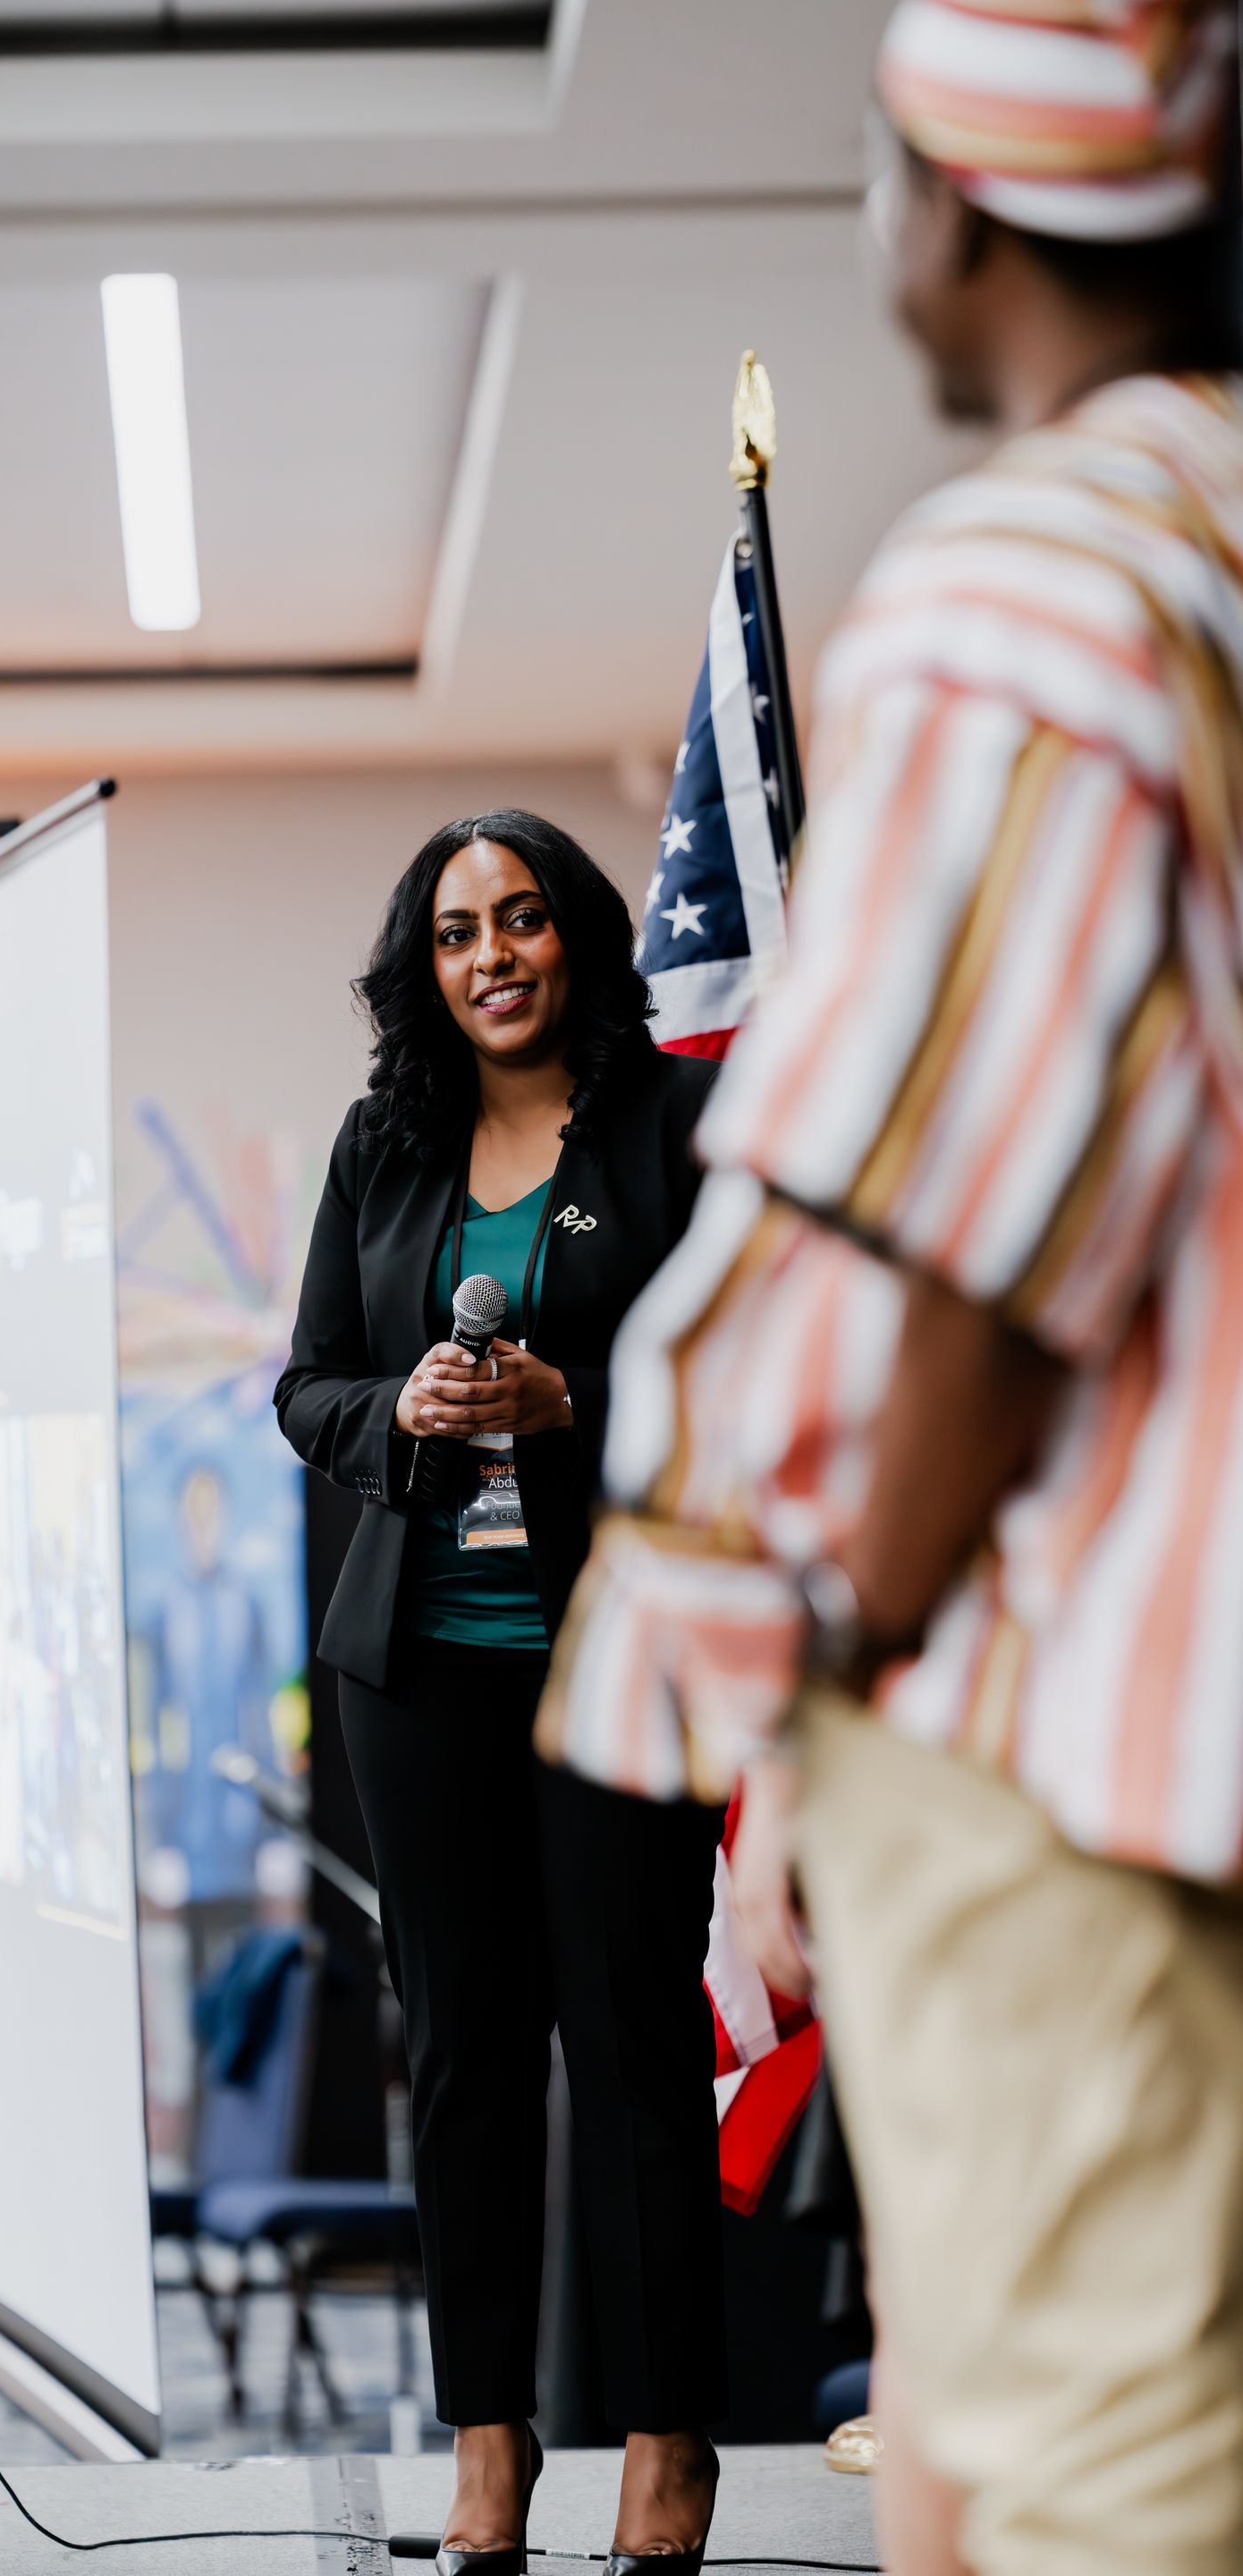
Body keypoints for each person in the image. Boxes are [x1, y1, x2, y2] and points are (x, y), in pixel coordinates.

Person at [537, 6, 1243, 2571]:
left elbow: (972, 1255)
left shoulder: (1040, 580)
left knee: (1099, 2506)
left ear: (948, 199)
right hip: (1175, 1703)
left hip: (1054, 1728)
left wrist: (824, 1700)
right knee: (978, 2458)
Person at [275, 811, 724, 2572]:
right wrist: (400, 1413)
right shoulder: (382, 1147)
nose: (493, 956)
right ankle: (488, 2447)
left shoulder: (676, 1131)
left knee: (630, 2055)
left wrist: (572, 1412)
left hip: (616, 1658)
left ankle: (667, 2447)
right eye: (460, 930)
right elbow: (308, 1386)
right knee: (463, 2058)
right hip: (415, 1676)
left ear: (578, 938)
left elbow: (743, 1385)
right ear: (426, 965)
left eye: (525, 920)